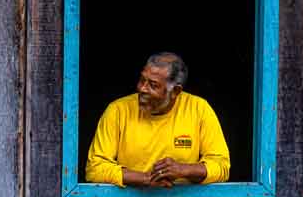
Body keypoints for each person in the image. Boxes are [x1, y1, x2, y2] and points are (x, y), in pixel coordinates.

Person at [85, 52, 230, 187]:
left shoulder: (199, 109)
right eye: (142, 80)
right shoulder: (117, 110)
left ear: (176, 91)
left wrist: (183, 170)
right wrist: (145, 179)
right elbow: (95, 168)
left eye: (153, 85)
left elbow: (221, 166)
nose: (142, 88)